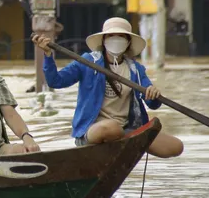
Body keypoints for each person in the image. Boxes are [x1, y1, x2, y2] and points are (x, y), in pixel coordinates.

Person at [32, 17, 183, 158]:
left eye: (121, 36)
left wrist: (154, 94)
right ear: (104, 40)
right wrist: (48, 55)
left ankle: (129, 139)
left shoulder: (136, 70)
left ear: (128, 42)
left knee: (176, 146)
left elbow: (152, 103)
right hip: (94, 131)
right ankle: (129, 140)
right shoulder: (87, 62)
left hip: (126, 130)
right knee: (111, 128)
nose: (116, 40)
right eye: (111, 36)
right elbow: (56, 81)